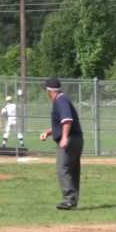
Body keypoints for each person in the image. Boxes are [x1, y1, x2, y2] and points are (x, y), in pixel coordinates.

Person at [40, 78, 83, 210]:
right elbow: (63, 123)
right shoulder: (64, 99)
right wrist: (49, 132)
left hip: (69, 139)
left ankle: (69, 199)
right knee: (72, 169)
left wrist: (64, 137)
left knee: (62, 168)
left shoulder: (60, 100)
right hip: (77, 138)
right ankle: (72, 201)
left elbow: (67, 120)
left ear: (49, 91)